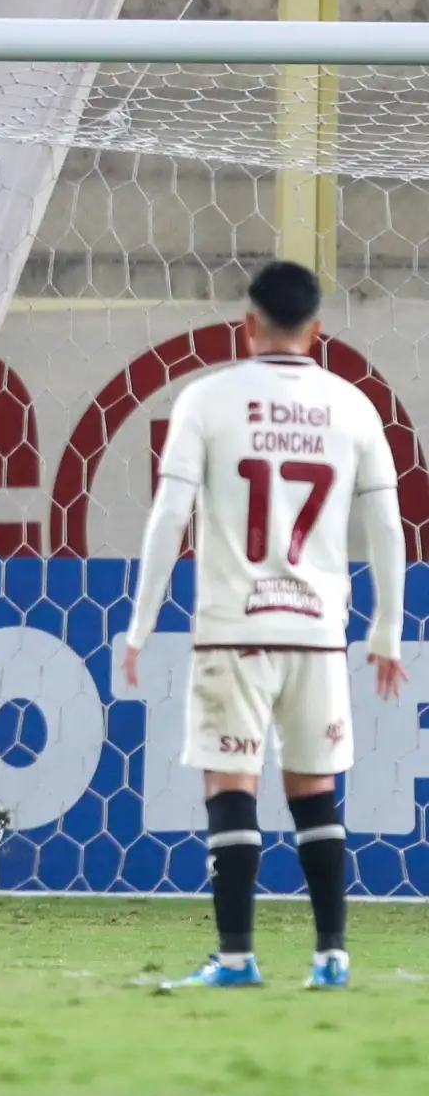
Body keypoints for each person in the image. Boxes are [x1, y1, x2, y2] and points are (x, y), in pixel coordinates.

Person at [123, 261, 406, 991]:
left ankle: (238, 958)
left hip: (233, 628)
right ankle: (331, 956)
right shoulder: (352, 406)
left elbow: (169, 515)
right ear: (317, 329)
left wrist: (141, 620)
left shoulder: (207, 399)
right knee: (316, 791)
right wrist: (385, 632)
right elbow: (387, 524)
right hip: (316, 630)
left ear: (247, 323)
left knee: (232, 785)